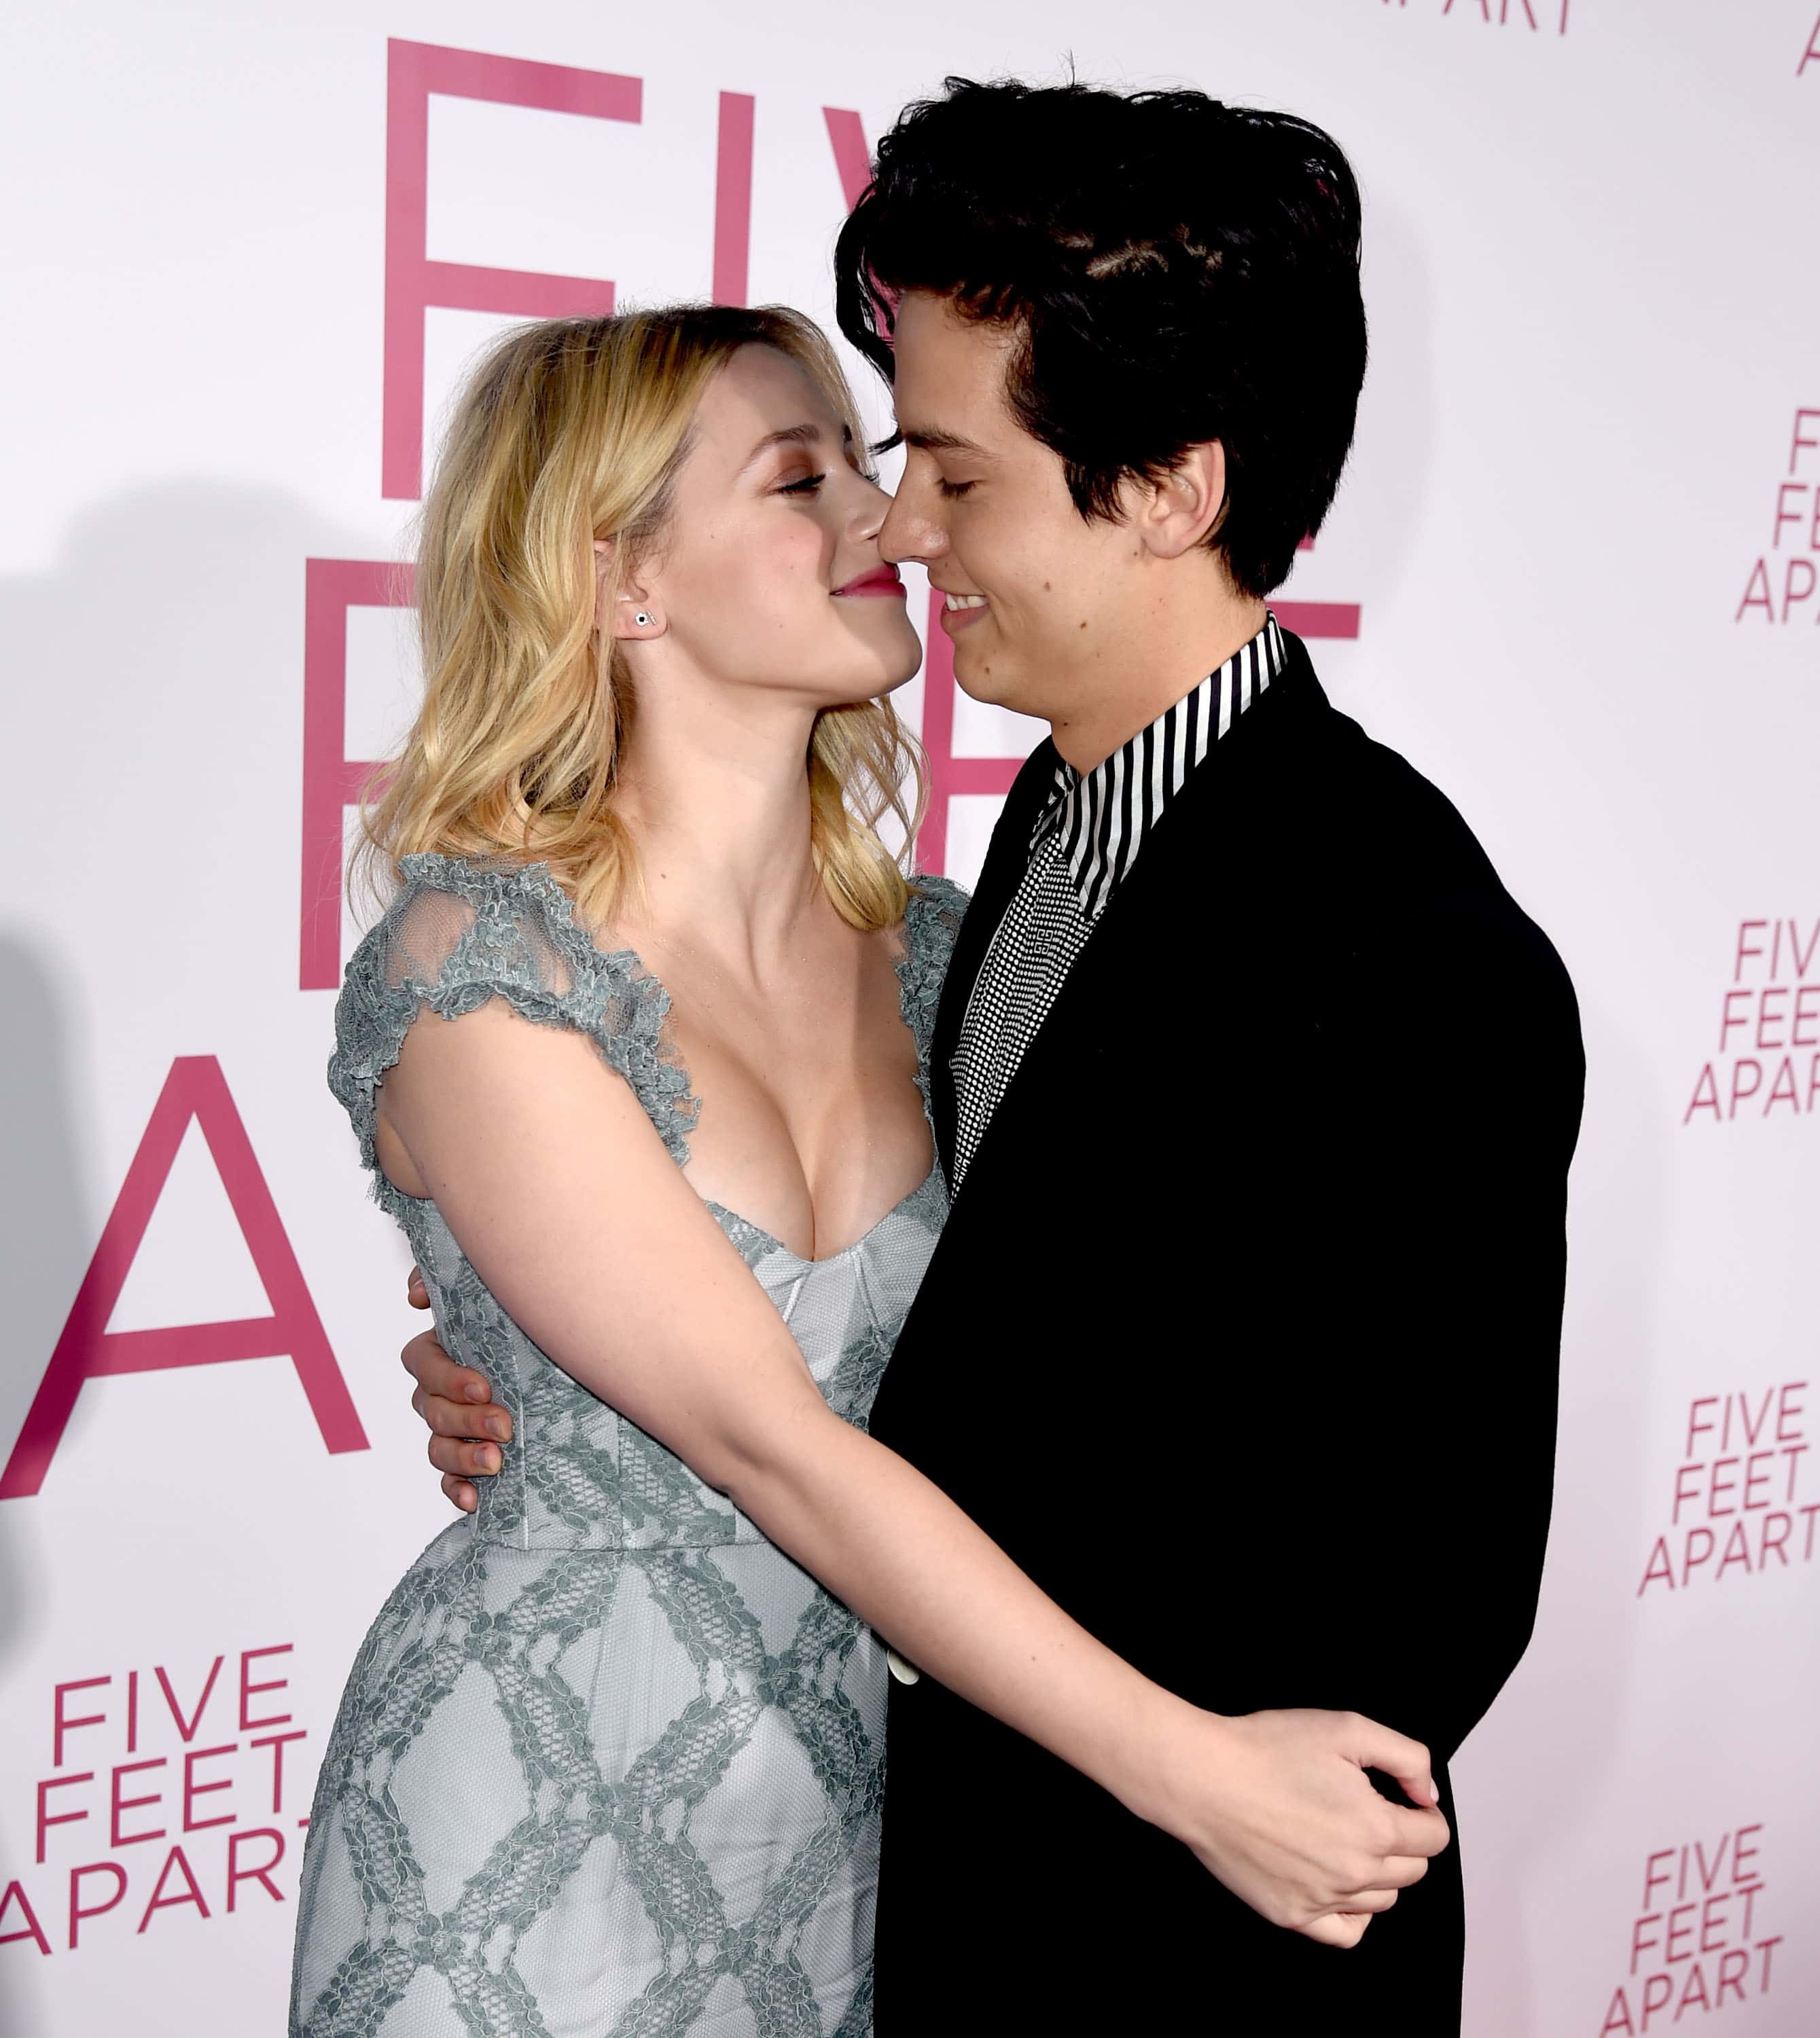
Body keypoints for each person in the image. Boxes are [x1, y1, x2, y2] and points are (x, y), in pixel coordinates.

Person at [404, 82, 1586, 2033]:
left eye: (954, 475)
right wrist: (563, 1385)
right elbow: (973, 1329)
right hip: (884, 1897)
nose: (900, 529)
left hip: (1170, 1955)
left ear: (1172, 490)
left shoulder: (1407, 953)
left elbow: (1417, 1613)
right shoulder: (1016, 863)